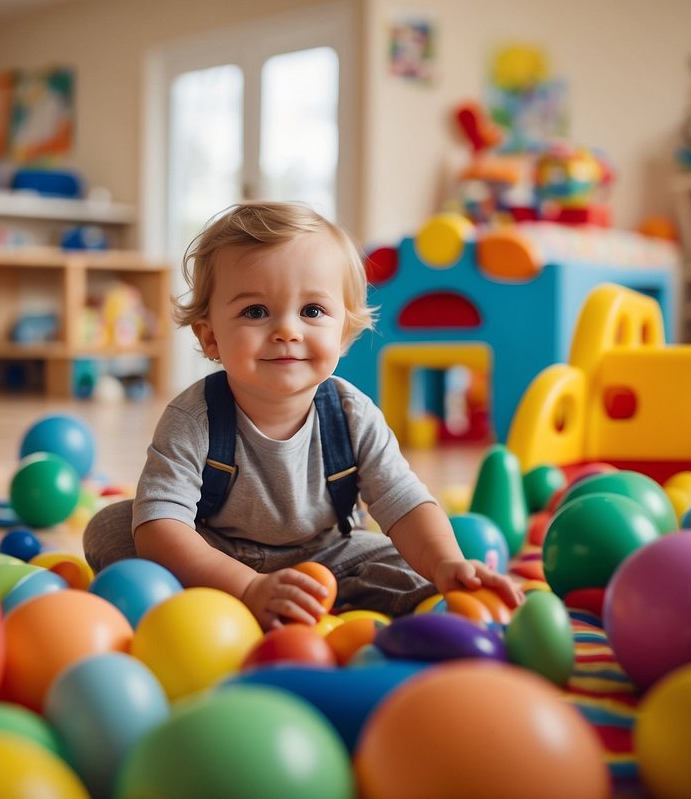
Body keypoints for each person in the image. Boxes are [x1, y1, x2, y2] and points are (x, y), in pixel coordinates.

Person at [84, 201, 522, 629]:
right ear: (211, 337)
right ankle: (233, 601)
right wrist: (247, 587)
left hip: (330, 555)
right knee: (117, 527)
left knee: (406, 565)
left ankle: (325, 599)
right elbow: (164, 527)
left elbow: (405, 505)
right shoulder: (193, 416)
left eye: (312, 311)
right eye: (255, 312)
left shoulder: (353, 415)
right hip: (214, 553)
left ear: (344, 333)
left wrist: (447, 564)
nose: (287, 331)